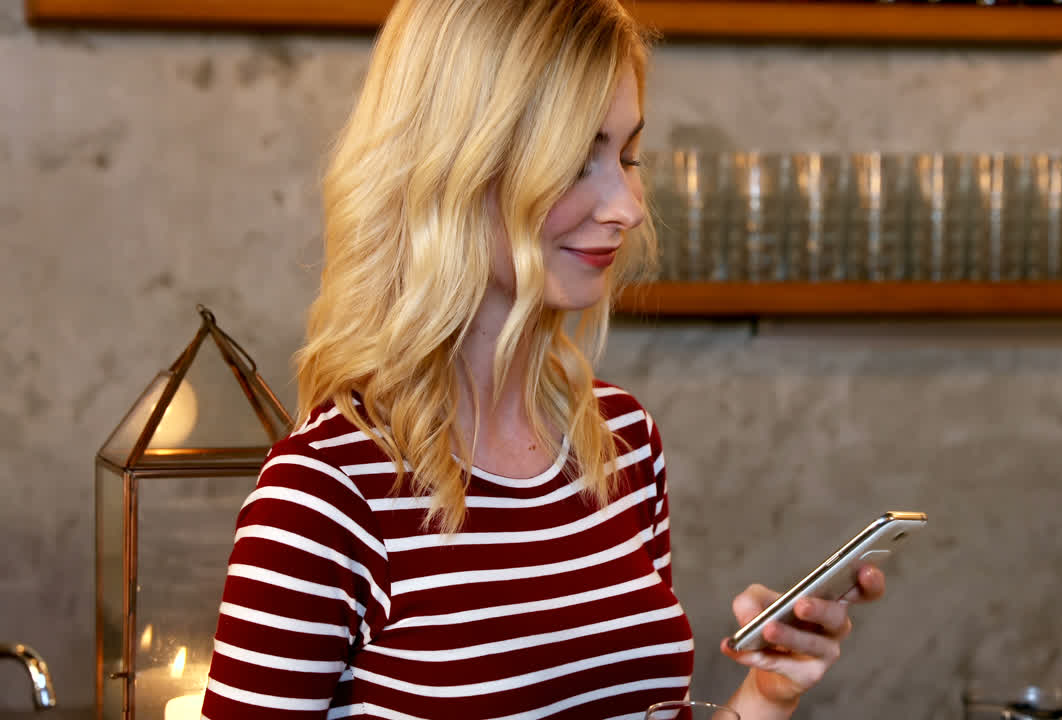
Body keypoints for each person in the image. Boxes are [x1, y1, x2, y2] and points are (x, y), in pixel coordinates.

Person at [200, 0, 885, 717]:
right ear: (454, 167)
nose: (626, 206)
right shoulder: (324, 498)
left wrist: (767, 696)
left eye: (627, 156)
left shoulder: (622, 440)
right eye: (574, 160)